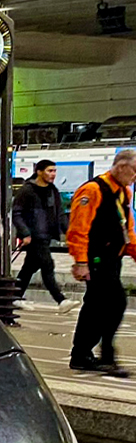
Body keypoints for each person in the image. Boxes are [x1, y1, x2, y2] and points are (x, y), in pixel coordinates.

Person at [67, 149, 136, 376]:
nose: (135, 176)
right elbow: (79, 228)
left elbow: (127, 229)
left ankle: (86, 354)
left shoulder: (124, 192)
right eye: (134, 171)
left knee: (99, 305)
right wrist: (81, 261)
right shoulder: (92, 190)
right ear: (121, 166)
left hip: (112, 259)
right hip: (95, 259)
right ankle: (96, 354)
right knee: (114, 302)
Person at [15, 159, 73, 313]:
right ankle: (61, 300)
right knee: (48, 265)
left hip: (46, 235)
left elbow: (60, 214)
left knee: (29, 268)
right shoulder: (27, 191)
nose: (53, 174)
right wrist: (25, 233)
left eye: (54, 171)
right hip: (34, 236)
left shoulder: (53, 191)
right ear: (39, 172)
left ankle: (14, 296)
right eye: (49, 171)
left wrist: (69, 233)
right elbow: (17, 213)